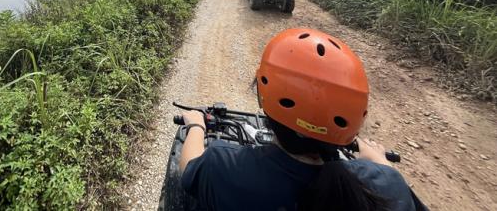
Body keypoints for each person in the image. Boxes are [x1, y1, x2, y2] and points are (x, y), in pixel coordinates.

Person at [179, 28, 425, 211]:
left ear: (264, 94)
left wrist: (196, 125)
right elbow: (390, 181)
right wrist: (381, 163)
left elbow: (188, 169)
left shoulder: (222, 166)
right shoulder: (388, 185)